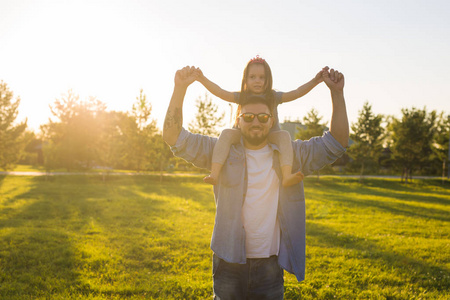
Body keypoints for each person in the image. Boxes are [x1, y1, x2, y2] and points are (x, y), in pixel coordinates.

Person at [163, 65, 349, 299]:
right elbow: (173, 137)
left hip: (270, 266)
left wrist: (337, 94)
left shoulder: (290, 154)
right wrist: (180, 89)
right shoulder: (221, 150)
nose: (256, 122)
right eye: (248, 117)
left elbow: (337, 143)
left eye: (263, 117)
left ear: (271, 121)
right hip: (227, 260)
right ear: (238, 120)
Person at [195, 56, 325, 187]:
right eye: (252, 77)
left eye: (262, 77)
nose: (257, 81)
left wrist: (315, 81)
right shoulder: (242, 96)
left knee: (284, 135)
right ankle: (215, 174)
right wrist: (202, 79)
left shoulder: (273, 96)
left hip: (270, 134)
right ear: (245, 79)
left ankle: (286, 176)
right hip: (243, 134)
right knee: (226, 133)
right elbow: (220, 92)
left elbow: (296, 93)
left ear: (268, 79)